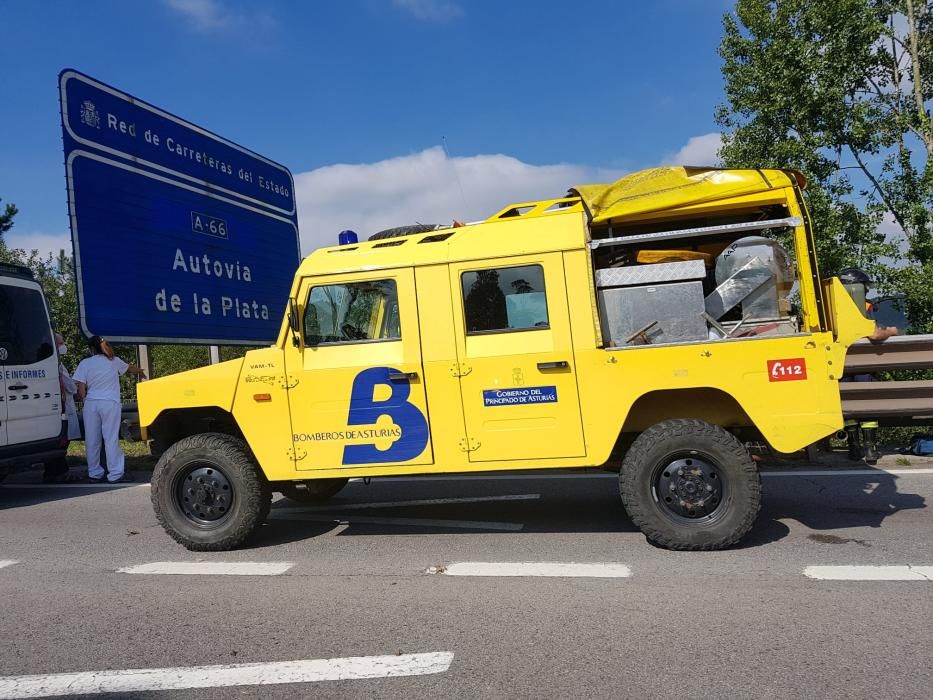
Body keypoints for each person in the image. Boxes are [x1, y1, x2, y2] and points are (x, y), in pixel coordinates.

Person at [73, 336, 146, 483]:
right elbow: (129, 368)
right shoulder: (114, 361)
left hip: (91, 404)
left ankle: (94, 473)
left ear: (91, 349)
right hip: (110, 403)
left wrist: (84, 398)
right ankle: (115, 474)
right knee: (111, 439)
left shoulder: (85, 363)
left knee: (92, 440)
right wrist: (140, 371)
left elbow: (81, 388)